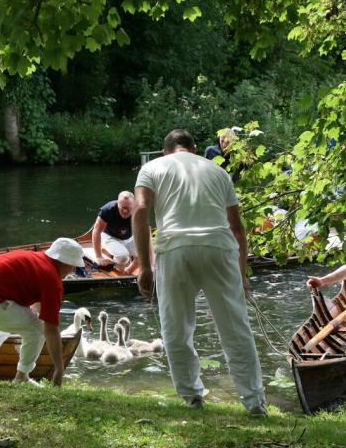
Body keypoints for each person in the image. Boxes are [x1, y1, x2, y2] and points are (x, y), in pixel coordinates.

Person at [133, 129, 266, 415]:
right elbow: (238, 230)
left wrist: (145, 265)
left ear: (165, 150)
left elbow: (141, 210)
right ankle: (254, 402)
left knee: (177, 329)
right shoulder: (218, 171)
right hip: (219, 247)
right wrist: (241, 275)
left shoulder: (151, 168)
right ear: (193, 149)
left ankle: (193, 397)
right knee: (235, 328)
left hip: (175, 249)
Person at [0, 238, 85, 386]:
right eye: (73, 266)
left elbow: (38, 307)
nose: (73, 270)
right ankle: (22, 377)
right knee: (37, 329)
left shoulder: (37, 259)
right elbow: (50, 328)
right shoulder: (51, 278)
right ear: (65, 262)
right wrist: (59, 368)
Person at [91, 191, 138, 274]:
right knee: (123, 256)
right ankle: (118, 273)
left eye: (128, 208)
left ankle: (127, 273)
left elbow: (146, 231)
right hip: (109, 236)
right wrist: (99, 257)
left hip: (130, 237)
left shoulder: (139, 211)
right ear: (118, 204)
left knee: (144, 255)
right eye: (122, 207)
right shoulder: (108, 209)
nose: (125, 211)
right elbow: (96, 231)